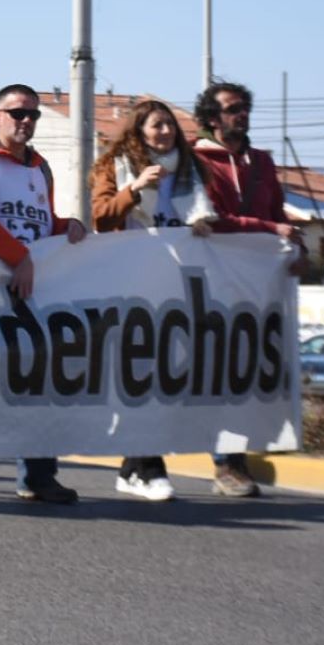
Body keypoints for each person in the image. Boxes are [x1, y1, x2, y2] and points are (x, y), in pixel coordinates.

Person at [0, 83, 88, 504]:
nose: (26, 121)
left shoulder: (40, 167)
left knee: (40, 381)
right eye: (17, 113)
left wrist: (67, 227)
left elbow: (39, 221)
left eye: (33, 115)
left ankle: (39, 474)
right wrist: (17, 257)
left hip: (33, 290)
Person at [89, 99, 217, 502]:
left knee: (166, 375)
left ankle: (133, 467)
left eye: (169, 126)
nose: (164, 132)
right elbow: (102, 217)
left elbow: (207, 213)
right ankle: (149, 467)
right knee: (140, 372)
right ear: (139, 131)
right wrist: (135, 188)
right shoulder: (115, 165)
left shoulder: (192, 170)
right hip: (130, 283)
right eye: (156, 125)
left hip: (176, 284)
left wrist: (203, 224)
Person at [192, 79, 302, 498]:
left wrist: (296, 246)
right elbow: (210, 219)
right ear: (211, 118)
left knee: (244, 372)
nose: (241, 114)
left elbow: (278, 215)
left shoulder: (263, 163)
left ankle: (233, 457)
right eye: (231, 108)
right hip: (212, 281)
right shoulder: (197, 162)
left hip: (257, 286)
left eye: (244, 107)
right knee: (216, 371)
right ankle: (225, 464)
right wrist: (269, 228)